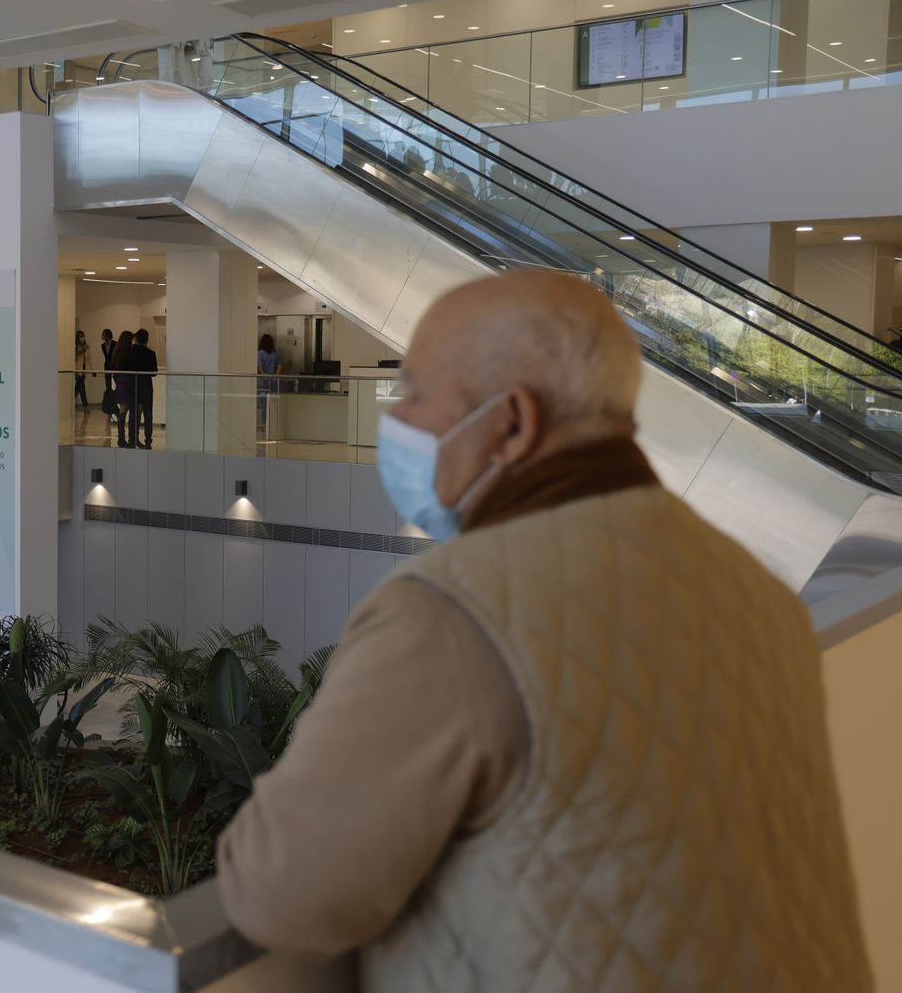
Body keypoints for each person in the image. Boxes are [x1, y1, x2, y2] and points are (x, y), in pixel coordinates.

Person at [216, 271, 871, 991]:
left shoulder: (453, 612)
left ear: (513, 423)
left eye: (416, 394)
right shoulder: (757, 588)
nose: (395, 418)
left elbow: (281, 893)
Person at [122, 327, 158, 450]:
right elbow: (154, 372)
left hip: (132, 387)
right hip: (146, 387)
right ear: (147, 340)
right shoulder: (151, 353)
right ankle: (148, 441)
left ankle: (132, 440)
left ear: (136, 338)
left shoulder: (129, 353)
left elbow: (123, 368)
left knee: (133, 414)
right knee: (148, 414)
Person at [110, 330, 134, 448]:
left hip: (119, 382)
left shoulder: (116, 351)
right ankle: (124, 438)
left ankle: (121, 437)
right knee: (126, 410)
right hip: (127, 383)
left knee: (122, 409)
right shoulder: (129, 353)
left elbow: (113, 368)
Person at [256, 333, 282, 433]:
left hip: (262, 383)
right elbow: (279, 367)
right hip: (274, 383)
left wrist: (264, 377)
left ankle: (265, 424)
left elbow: (260, 368)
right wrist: (274, 377)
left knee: (264, 404)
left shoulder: (260, 353)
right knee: (273, 403)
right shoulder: (275, 354)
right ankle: (272, 424)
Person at [99, 328, 118, 427]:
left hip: (114, 368)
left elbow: (115, 356)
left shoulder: (115, 344)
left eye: (104, 334)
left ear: (108, 335)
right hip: (107, 368)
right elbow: (106, 358)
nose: (102, 336)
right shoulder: (102, 346)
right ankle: (109, 408)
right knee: (108, 387)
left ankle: (116, 407)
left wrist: (113, 364)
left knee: (116, 386)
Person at [74, 330, 91, 410]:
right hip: (78, 370)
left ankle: (85, 406)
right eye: (80, 336)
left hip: (84, 370)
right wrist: (75, 371)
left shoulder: (86, 346)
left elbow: (89, 359)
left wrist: (92, 370)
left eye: (83, 336)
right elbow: (74, 358)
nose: (82, 338)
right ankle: (86, 406)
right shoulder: (75, 346)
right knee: (81, 387)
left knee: (81, 388)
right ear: (77, 337)